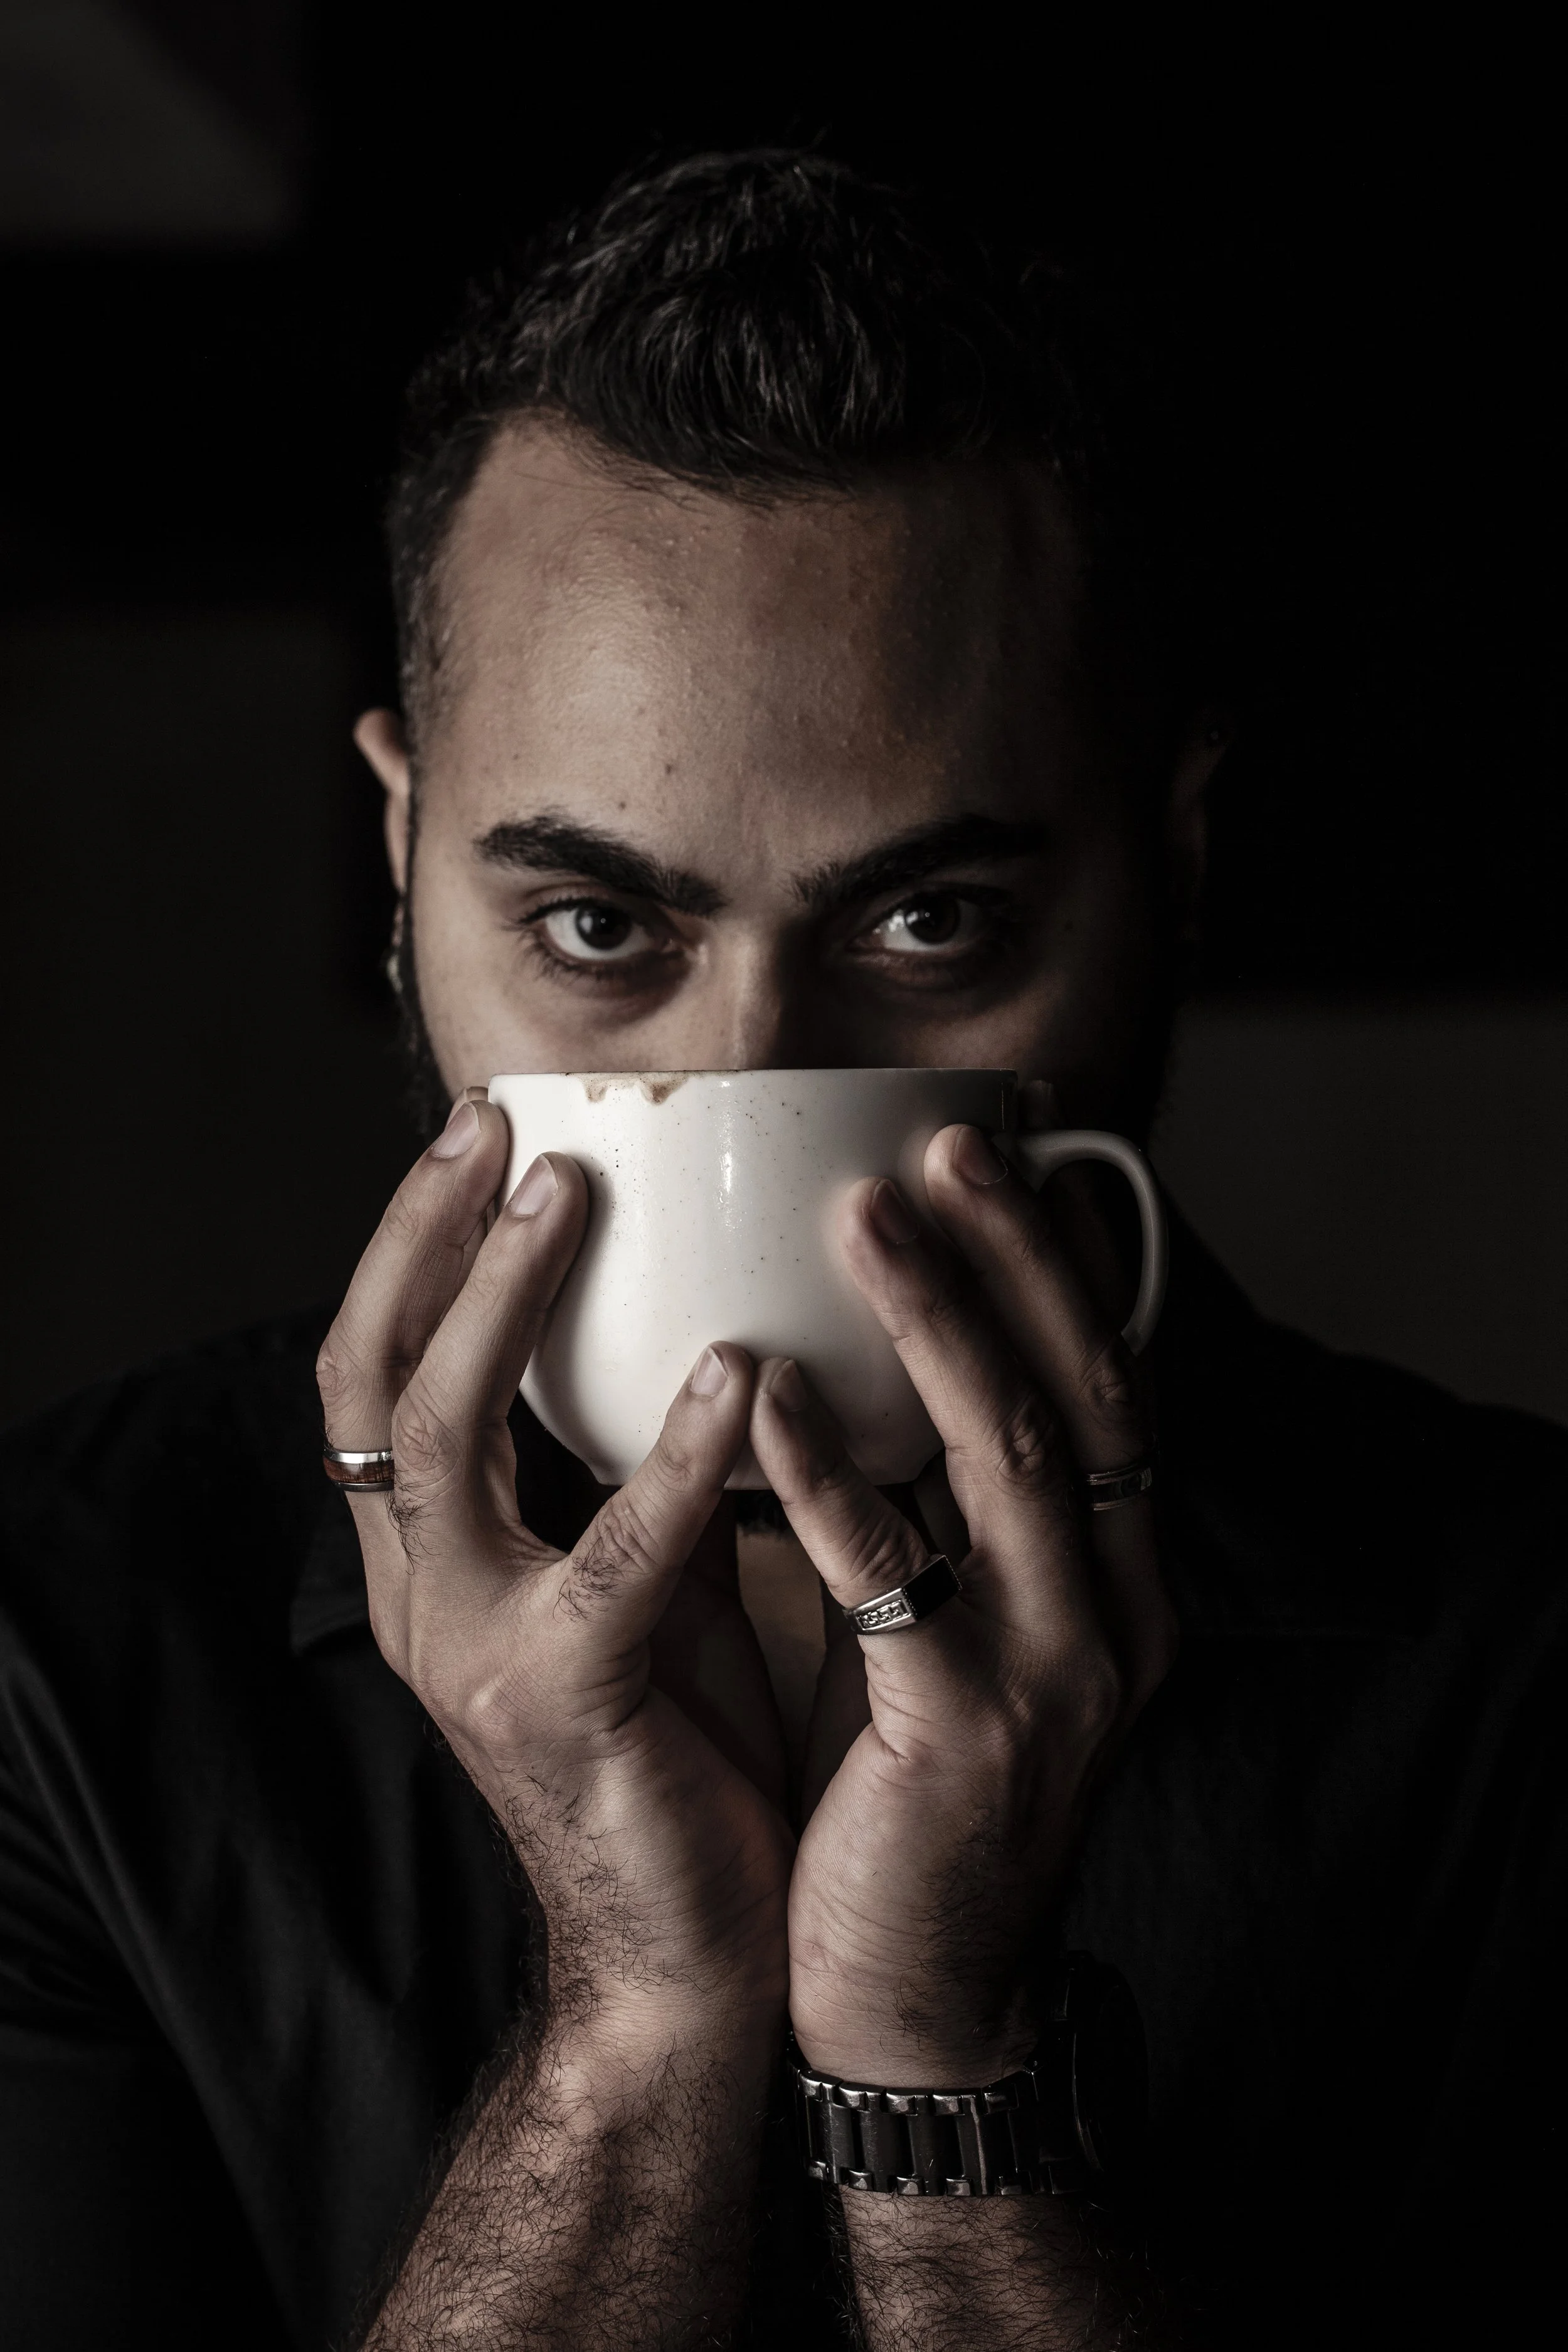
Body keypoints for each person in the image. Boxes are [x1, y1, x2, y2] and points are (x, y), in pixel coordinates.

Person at [1, 150, 1562, 2351]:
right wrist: (635, 2017)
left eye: (930, 924)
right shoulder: (55, 1661)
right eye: (595, 927)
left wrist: (945, 2060)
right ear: (400, 854)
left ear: (1172, 873)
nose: (747, 1086)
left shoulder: (1517, 1658)